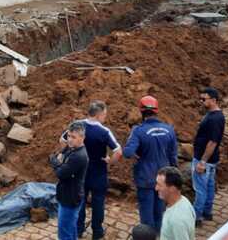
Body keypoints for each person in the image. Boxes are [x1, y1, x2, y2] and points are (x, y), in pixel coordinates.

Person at [123, 96, 178, 232]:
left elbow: (128, 152)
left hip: (145, 178)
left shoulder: (138, 130)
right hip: (164, 178)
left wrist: (137, 154)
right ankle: (159, 234)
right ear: (156, 111)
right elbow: (173, 155)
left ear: (141, 111)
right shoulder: (169, 129)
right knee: (159, 211)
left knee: (147, 216)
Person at [77, 101, 122, 240]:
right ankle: (97, 232)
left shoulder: (77, 126)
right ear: (99, 114)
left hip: (80, 171)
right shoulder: (104, 131)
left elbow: (62, 140)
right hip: (98, 172)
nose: (105, 118)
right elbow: (118, 152)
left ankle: (78, 229)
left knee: (80, 201)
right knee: (98, 202)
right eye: (104, 115)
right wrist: (110, 162)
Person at [191, 88, 225, 225]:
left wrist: (202, 162)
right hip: (212, 160)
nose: (201, 101)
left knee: (200, 189)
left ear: (213, 100)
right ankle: (207, 212)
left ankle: (197, 217)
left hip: (204, 159)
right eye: (201, 98)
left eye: (204, 99)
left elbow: (213, 142)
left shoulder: (215, 119)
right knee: (209, 186)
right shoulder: (213, 115)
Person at [52, 120, 89, 240]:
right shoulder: (72, 149)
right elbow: (61, 159)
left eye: (73, 137)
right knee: (71, 229)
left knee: (64, 234)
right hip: (69, 195)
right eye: (68, 136)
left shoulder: (79, 156)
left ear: (82, 138)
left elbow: (61, 173)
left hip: (70, 198)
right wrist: (59, 162)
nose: (70, 139)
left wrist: (55, 161)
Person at [156, 167, 195, 240]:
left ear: (172, 188)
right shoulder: (184, 200)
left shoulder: (177, 220)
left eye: (159, 185)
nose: (156, 188)